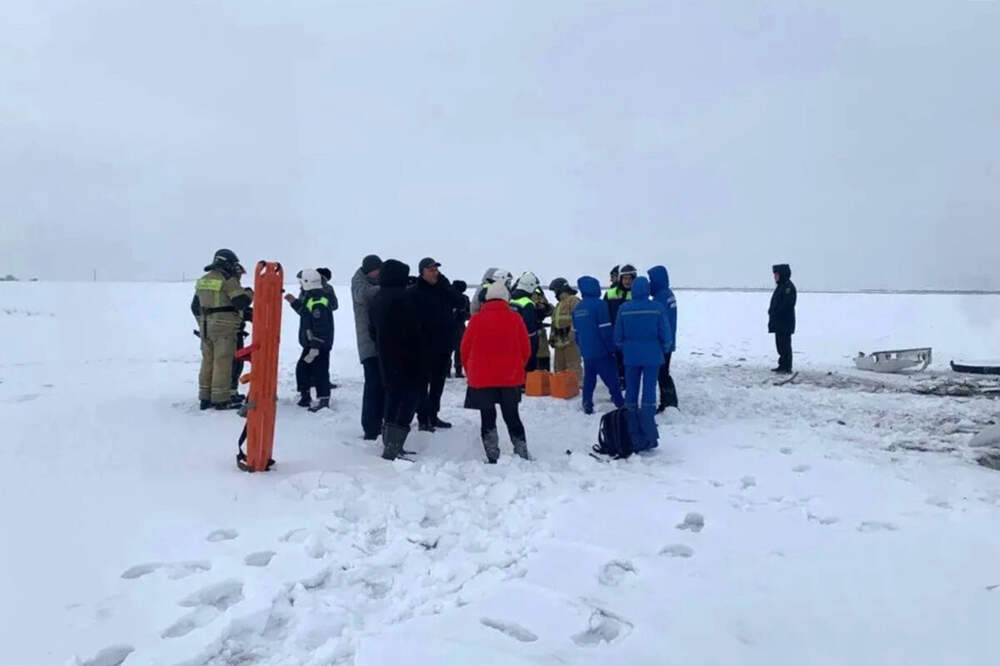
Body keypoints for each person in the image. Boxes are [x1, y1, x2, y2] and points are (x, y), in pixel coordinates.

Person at [461, 280, 533, 462]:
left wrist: (470, 372)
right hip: (510, 378)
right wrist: (517, 367)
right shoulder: (515, 319)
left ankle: (492, 454)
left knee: (487, 416)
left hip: (482, 378)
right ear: (505, 298)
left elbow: (465, 349)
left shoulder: (476, 320)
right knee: (512, 415)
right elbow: (526, 349)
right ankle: (521, 450)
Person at [369, 259, 424, 460]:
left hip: (386, 356)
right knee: (409, 399)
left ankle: (390, 443)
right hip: (409, 356)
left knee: (392, 398)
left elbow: (372, 329)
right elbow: (416, 328)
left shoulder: (377, 298)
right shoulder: (405, 298)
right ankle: (394, 445)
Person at [614, 275, 671, 451]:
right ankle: (648, 429)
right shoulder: (657, 308)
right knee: (649, 391)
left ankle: (632, 428)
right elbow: (665, 332)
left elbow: (618, 336)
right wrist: (664, 347)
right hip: (652, 355)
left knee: (631, 390)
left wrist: (624, 348)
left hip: (631, 355)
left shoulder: (624, 308)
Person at [192, 249, 253, 410]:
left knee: (208, 362)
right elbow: (241, 302)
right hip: (224, 329)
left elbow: (195, 306)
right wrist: (249, 292)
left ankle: (205, 397)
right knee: (222, 363)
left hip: (206, 328)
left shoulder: (203, 280)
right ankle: (221, 399)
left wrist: (203, 323)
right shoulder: (227, 279)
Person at [409, 257, 458, 432]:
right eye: (430, 270)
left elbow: (460, 302)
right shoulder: (414, 292)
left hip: (443, 345)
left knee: (438, 383)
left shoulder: (443, 289)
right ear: (422, 272)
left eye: (436, 269)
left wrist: (446, 285)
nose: (434, 273)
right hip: (422, 346)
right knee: (422, 384)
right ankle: (423, 418)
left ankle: (433, 415)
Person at [572, 276, 624, 414]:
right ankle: (619, 401)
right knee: (611, 377)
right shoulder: (600, 305)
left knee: (589, 379)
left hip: (587, 351)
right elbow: (605, 330)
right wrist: (612, 348)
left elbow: (576, 334)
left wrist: (583, 348)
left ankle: (587, 402)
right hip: (602, 350)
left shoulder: (577, 309)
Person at [292, 269, 334, 411]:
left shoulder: (318, 300)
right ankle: (305, 396)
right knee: (303, 369)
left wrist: (315, 346)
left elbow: (321, 326)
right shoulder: (312, 297)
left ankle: (323, 400)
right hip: (312, 343)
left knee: (320, 371)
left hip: (318, 345)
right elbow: (305, 313)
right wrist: (294, 302)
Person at [351, 254, 383, 440]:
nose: (378, 274)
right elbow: (363, 295)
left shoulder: (372, 282)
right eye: (375, 271)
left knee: (381, 385)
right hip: (368, 345)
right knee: (373, 386)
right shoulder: (359, 283)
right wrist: (389, 287)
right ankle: (371, 427)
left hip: (379, 343)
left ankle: (380, 422)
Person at [648, 265, 678, 411]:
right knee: (664, 372)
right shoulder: (668, 294)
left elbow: (658, 322)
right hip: (668, 340)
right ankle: (669, 401)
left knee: (662, 373)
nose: (650, 283)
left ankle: (669, 402)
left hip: (662, 342)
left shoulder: (660, 298)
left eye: (651, 280)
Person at [549, 278, 581, 377]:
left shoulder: (573, 300)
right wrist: (552, 337)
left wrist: (572, 335)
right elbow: (554, 323)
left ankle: (576, 385)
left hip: (571, 343)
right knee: (559, 371)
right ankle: (559, 385)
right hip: (559, 343)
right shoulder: (558, 305)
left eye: (555, 291)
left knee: (573, 369)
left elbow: (578, 320)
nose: (554, 294)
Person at [509, 272, 541, 372]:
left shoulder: (511, 300)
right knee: (529, 369)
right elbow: (529, 326)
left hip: (512, 340)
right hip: (526, 341)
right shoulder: (527, 303)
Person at [768, 263, 797, 374]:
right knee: (780, 345)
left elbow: (787, 305)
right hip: (779, 322)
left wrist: (777, 312)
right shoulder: (781, 286)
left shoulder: (788, 287)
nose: (774, 277)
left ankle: (787, 367)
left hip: (785, 322)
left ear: (782, 274)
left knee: (785, 345)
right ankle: (782, 365)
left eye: (776, 275)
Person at [451, 280, 471, 378]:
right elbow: (469, 314)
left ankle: (448, 370)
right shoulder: (464, 298)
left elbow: (469, 314)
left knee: (452, 349)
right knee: (458, 350)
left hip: (453, 326)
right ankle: (457, 370)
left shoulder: (463, 299)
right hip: (458, 327)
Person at [532, 286, 554, 372]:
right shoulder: (537, 293)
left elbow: (548, 310)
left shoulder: (538, 293)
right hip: (534, 332)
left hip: (537, 332)